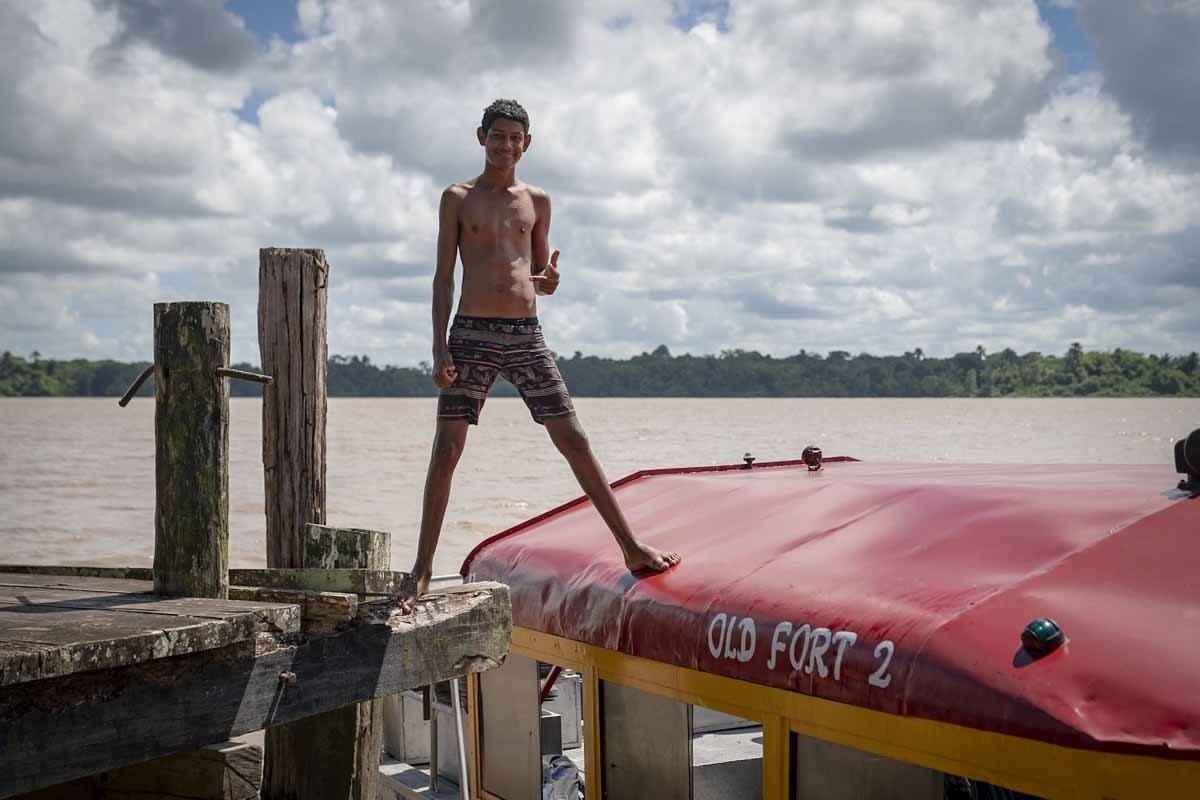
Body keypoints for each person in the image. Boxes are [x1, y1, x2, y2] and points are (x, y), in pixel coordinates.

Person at [400, 99, 680, 611]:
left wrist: (549, 280)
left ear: (527, 143)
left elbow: (540, 276)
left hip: (526, 332)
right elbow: (444, 277)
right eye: (496, 136)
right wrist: (439, 345)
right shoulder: (457, 198)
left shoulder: (538, 200)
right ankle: (420, 571)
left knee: (573, 436)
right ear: (480, 137)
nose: (505, 145)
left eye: (514, 137)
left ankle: (631, 546)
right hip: (472, 333)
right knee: (447, 450)